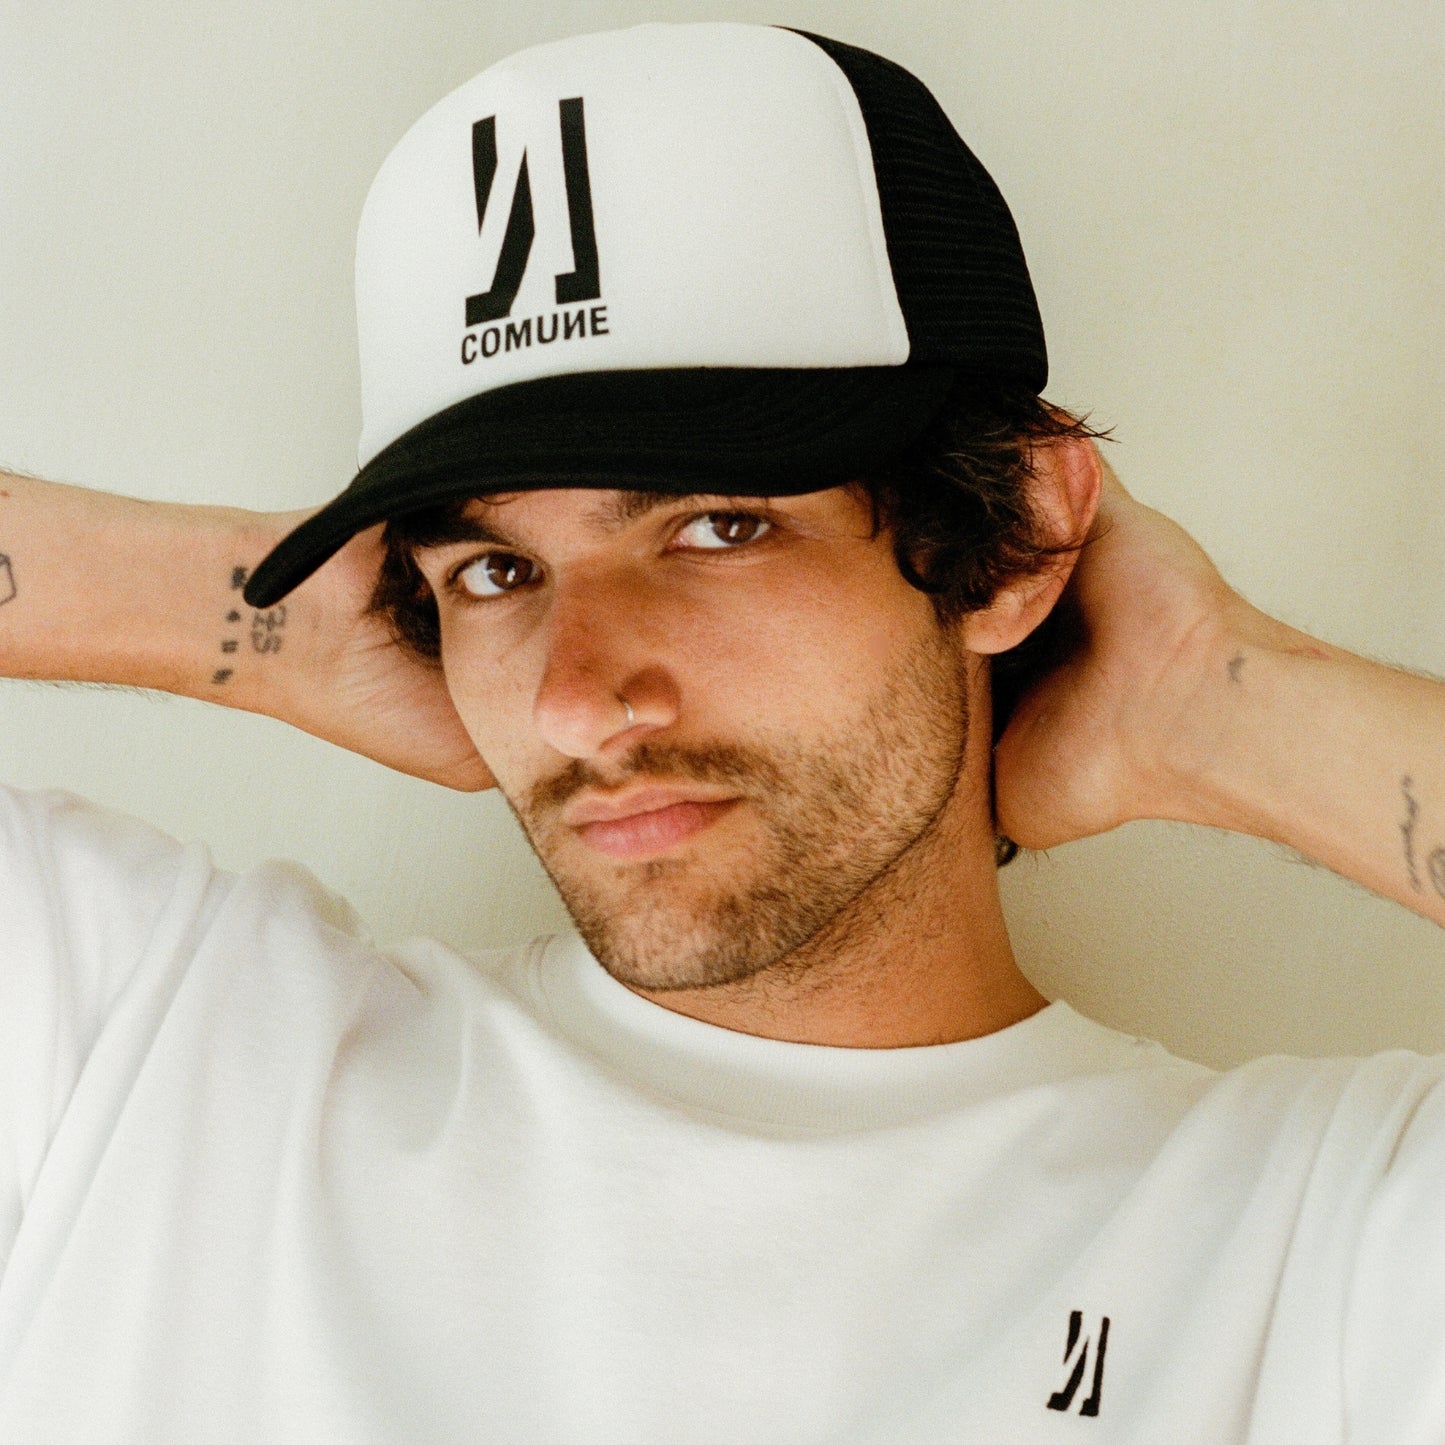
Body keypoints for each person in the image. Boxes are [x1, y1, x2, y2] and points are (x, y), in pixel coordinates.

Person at [1, 20, 1442, 1444]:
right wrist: (274, 615)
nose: (574, 697)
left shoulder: (1311, 1247)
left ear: (1007, 535)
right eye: (496, 569)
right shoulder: (156, 1048)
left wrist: (1209, 701)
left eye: (715, 528)